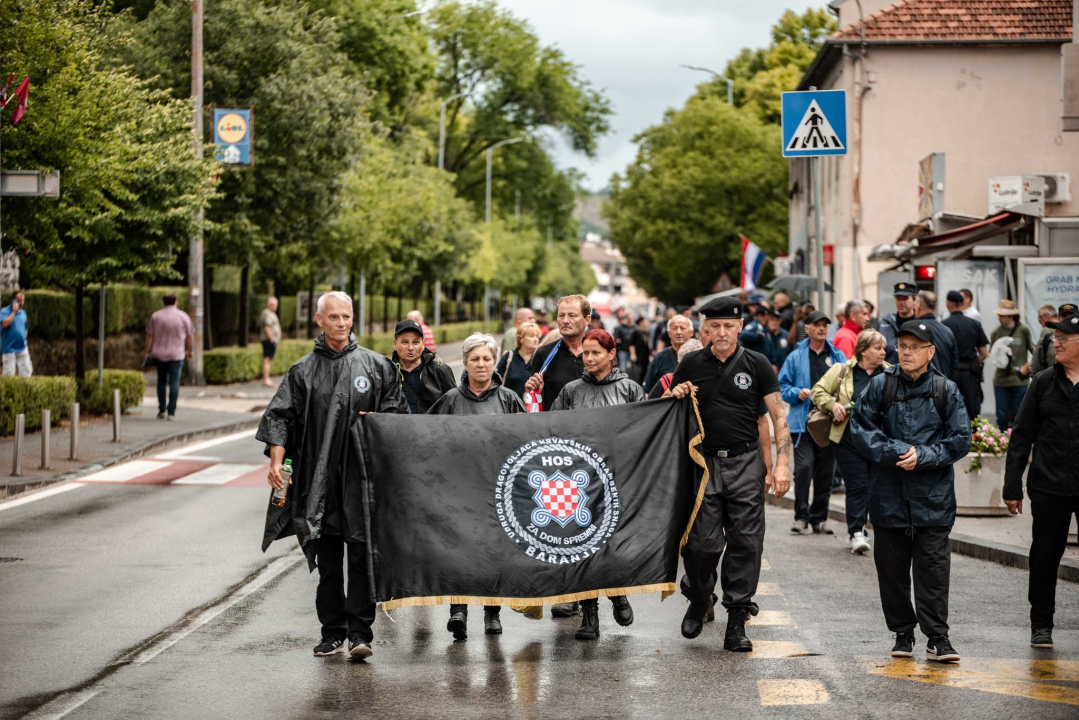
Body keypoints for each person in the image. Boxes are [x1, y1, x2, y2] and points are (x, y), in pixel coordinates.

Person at [258, 291, 408, 661]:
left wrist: (378, 425)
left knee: (360, 557)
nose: (342, 323)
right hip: (318, 480)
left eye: (347, 316)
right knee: (328, 564)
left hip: (361, 480)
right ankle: (332, 632)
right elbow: (280, 417)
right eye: (334, 317)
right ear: (320, 321)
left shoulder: (377, 367)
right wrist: (277, 461)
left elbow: (397, 417)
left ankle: (360, 633)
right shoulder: (302, 371)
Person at [664, 297, 792, 652]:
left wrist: (780, 464)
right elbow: (675, 412)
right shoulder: (691, 362)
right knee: (700, 544)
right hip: (704, 465)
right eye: (714, 326)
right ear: (705, 328)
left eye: (728, 326)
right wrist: (676, 393)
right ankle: (699, 596)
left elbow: (777, 415)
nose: (721, 332)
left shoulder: (757, 363)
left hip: (746, 462)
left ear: (739, 327)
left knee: (747, 543)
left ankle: (737, 620)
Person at [850, 320, 970, 663]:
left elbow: (960, 440)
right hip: (888, 493)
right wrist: (896, 452)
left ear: (930, 352)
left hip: (934, 497)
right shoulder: (879, 385)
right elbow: (859, 429)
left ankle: (938, 637)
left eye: (914, 347)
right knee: (891, 570)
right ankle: (903, 631)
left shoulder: (946, 389)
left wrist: (923, 456)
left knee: (933, 570)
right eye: (902, 346)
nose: (906, 352)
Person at [428, 333, 525, 639]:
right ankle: (458, 609)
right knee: (459, 550)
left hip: (498, 491)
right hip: (458, 491)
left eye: (486, 359)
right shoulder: (449, 401)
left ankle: (492, 612)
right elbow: (424, 438)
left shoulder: (509, 399)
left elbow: (526, 440)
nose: (481, 364)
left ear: (494, 363)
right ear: (465, 363)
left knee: (493, 553)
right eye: (475, 359)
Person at [550, 329, 644, 639]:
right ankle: (589, 616)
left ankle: (618, 595)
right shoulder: (571, 391)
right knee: (583, 546)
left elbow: (645, 430)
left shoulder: (630, 389)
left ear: (611, 354)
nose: (589, 358)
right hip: (579, 482)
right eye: (585, 353)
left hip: (618, 478)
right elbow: (552, 428)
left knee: (613, 543)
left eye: (596, 353)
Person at [1004, 312, 1079, 650]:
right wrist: (1012, 486)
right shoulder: (1044, 382)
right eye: (1055, 336)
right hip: (1049, 486)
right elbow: (1021, 436)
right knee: (1045, 556)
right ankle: (1041, 624)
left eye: (1064, 337)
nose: (1056, 342)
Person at [811, 329, 889, 554]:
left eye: (883, 348)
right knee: (857, 486)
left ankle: (877, 529)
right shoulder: (842, 370)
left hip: (879, 441)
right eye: (877, 348)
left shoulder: (891, 374)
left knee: (877, 487)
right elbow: (818, 391)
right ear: (863, 351)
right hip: (847, 439)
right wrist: (832, 405)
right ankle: (857, 532)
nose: (883, 352)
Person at [778, 310, 847, 535]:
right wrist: (796, 393)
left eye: (824, 325)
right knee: (804, 468)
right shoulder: (795, 356)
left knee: (825, 473)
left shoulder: (836, 356)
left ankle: (819, 519)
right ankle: (801, 517)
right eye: (816, 325)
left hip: (829, 423)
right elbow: (782, 387)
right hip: (803, 424)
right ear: (806, 328)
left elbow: (848, 386)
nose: (821, 328)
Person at [145, 292, 194, 420]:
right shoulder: (183, 316)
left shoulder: (156, 316)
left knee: (161, 381)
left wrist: (147, 351)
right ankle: (171, 412)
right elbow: (190, 336)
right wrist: (190, 351)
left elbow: (150, 335)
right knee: (174, 382)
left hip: (159, 354)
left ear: (163, 302)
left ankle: (162, 409)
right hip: (176, 355)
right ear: (175, 302)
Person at [941, 290, 989, 420]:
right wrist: (974, 362)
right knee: (971, 412)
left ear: (947, 304)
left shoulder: (944, 325)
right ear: (962, 303)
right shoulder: (974, 324)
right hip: (970, 375)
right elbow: (984, 353)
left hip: (950, 375)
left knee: (949, 410)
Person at [391, 319, 455, 415]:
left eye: (416, 342)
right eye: (405, 342)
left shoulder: (440, 371)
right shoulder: (387, 373)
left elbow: (454, 405)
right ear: (395, 344)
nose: (411, 347)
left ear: (423, 344)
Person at [989, 299, 1034, 431]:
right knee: (1001, 415)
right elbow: (992, 355)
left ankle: (1018, 443)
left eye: (1002, 316)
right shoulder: (996, 332)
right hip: (1001, 380)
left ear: (1011, 316)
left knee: (1019, 414)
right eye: (999, 315)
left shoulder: (1023, 330)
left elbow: (1034, 351)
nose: (999, 318)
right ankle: (1002, 443)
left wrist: (1027, 366)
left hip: (1019, 380)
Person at [914, 291, 958, 381]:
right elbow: (954, 366)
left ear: (918, 306)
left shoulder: (912, 329)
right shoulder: (947, 331)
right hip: (942, 387)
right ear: (934, 307)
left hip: (918, 388)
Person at [642, 315, 693, 393]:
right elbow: (646, 391)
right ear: (669, 333)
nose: (679, 332)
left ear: (691, 332)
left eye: (683, 328)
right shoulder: (659, 358)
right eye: (674, 328)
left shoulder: (700, 356)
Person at [496, 321, 541, 398]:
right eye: (531, 336)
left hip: (531, 407)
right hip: (509, 406)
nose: (536, 339)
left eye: (537, 336)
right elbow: (496, 382)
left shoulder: (540, 358)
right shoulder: (508, 357)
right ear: (521, 338)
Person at [879, 282, 918, 363]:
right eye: (898, 298)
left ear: (914, 300)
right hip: (888, 372)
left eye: (905, 299)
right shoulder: (885, 323)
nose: (901, 302)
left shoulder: (920, 324)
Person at [1, 290, 32, 377]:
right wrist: (14, 312)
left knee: (27, 370)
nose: (21, 302)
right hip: (9, 347)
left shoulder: (23, 313)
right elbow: (5, 324)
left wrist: (24, 340)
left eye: (23, 300)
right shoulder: (4, 311)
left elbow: (25, 328)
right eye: (19, 300)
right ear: (13, 300)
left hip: (22, 346)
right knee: (9, 372)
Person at [1030, 304, 1060, 375]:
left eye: (1039, 317)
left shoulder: (1047, 330)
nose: (1039, 321)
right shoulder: (1064, 328)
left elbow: (1039, 354)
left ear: (1046, 316)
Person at [260, 296, 282, 388]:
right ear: (268, 305)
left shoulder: (272, 313)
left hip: (271, 340)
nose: (274, 306)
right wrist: (272, 340)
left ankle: (267, 379)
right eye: (272, 304)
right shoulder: (267, 313)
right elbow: (267, 327)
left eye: (276, 304)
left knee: (269, 359)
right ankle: (266, 379)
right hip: (268, 340)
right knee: (267, 359)